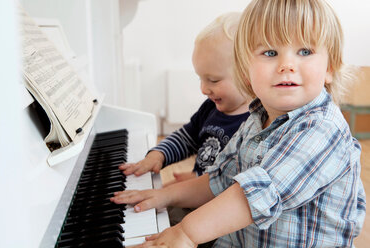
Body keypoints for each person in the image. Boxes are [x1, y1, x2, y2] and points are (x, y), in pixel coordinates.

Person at [111, 0, 366, 247]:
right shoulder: (257, 119)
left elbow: (255, 195)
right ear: (245, 68)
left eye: (305, 51)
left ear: (330, 67)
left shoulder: (322, 129)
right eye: (270, 52)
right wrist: (163, 195)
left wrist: (187, 233)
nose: (286, 65)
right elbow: (220, 180)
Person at [120, 12, 251, 183]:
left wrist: (194, 183)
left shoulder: (255, 123)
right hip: (194, 192)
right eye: (200, 78)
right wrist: (159, 155)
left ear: (247, 73)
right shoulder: (210, 107)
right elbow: (186, 137)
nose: (204, 89)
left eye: (213, 80)